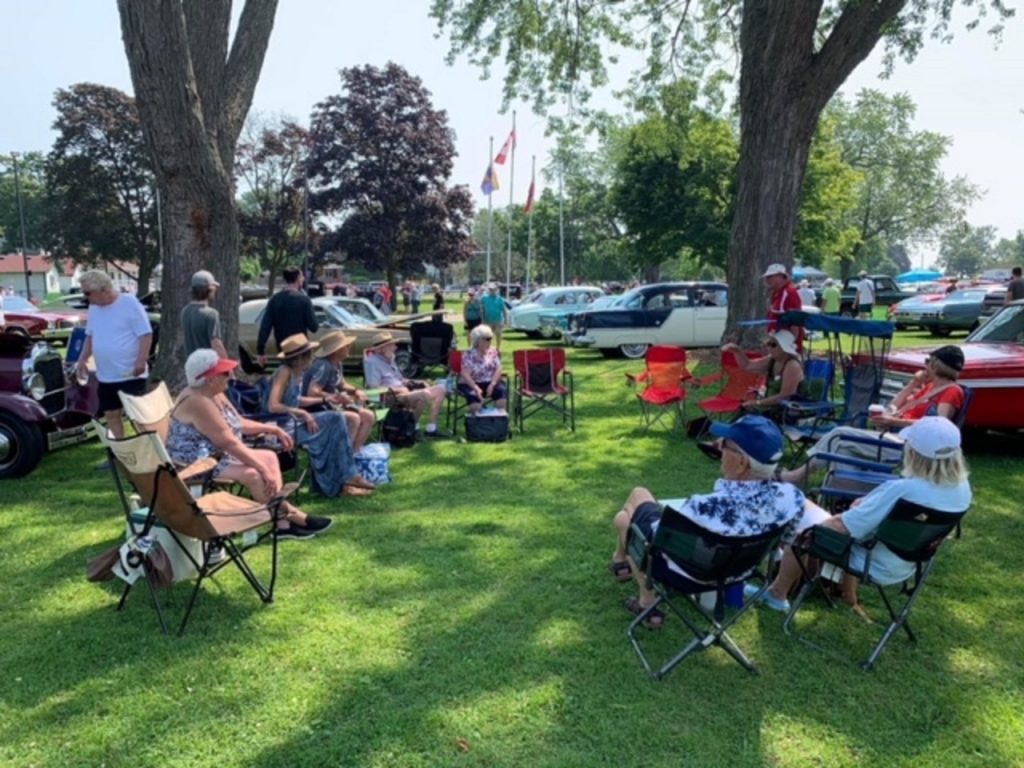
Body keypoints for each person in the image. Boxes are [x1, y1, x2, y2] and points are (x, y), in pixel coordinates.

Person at [753, 417, 971, 617]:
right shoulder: (962, 491)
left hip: (868, 560)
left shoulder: (903, 489)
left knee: (802, 527)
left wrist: (817, 527)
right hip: (906, 564)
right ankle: (819, 584)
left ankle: (776, 595)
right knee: (811, 516)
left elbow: (843, 526)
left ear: (914, 453)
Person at [609, 416, 807, 629]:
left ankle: (644, 599)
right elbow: (785, 541)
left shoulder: (703, 507)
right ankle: (620, 561)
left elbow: (654, 543)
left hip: (689, 576)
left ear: (742, 463)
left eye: (726, 444)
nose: (719, 446)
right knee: (626, 518)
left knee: (628, 512)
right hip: (740, 572)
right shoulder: (792, 497)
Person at [166, 350, 333, 540]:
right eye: (224, 373)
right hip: (196, 463)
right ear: (209, 378)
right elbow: (228, 442)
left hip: (217, 454)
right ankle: (295, 517)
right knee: (253, 474)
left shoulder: (214, 393)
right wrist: (261, 468)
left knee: (270, 456)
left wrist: (273, 430)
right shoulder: (198, 401)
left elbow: (239, 423)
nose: (230, 376)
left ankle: (282, 525)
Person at [781, 345, 966, 485]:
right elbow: (893, 406)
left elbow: (938, 427)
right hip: (895, 438)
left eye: (928, 361)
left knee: (838, 435)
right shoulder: (930, 387)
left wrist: (893, 421)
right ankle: (846, 494)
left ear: (936, 365)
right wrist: (912, 384)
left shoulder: (952, 391)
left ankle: (798, 475)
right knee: (841, 448)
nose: (925, 366)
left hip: (910, 447)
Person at [265, 334, 375, 497]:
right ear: (301, 356)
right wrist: (303, 413)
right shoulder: (284, 372)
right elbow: (273, 405)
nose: (312, 355)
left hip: (296, 421)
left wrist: (326, 398)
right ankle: (347, 478)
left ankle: (343, 480)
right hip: (282, 427)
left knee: (336, 420)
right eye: (310, 352)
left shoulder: (298, 373)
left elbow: (297, 400)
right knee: (336, 421)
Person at [74, 270, 153, 439]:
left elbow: (145, 334)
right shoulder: (94, 308)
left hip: (131, 374)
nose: (86, 297)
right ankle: (121, 452)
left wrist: (141, 360)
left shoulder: (129, 303)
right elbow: (90, 336)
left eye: (88, 293)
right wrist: (82, 360)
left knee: (138, 416)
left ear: (103, 289)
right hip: (106, 376)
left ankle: (149, 451)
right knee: (111, 415)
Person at [363, 331, 448, 438]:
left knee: (440, 389)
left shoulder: (390, 358)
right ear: (383, 348)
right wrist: (397, 390)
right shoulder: (372, 362)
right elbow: (373, 388)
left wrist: (417, 383)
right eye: (392, 345)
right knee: (424, 395)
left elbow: (400, 379)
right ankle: (411, 428)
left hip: (404, 392)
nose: (395, 347)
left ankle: (431, 428)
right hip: (388, 397)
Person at [302, 330, 375, 454]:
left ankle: (353, 453)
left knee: (368, 416)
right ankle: (341, 458)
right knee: (354, 418)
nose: (348, 348)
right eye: (346, 346)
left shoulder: (337, 363)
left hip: (332, 405)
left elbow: (341, 384)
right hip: (317, 408)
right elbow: (312, 391)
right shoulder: (323, 365)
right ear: (337, 350)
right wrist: (336, 397)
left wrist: (356, 391)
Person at [722, 330, 805, 417]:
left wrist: (758, 403)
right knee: (742, 414)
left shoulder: (792, 366)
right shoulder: (772, 360)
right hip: (769, 407)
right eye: (768, 343)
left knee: (747, 417)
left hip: (787, 412)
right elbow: (747, 366)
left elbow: (785, 396)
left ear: (784, 348)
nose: (769, 347)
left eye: (773, 345)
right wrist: (736, 350)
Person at [257, 265, 318, 366]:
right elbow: (314, 327)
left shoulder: (274, 300)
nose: (303, 279)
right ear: (298, 278)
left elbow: (265, 327)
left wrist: (261, 351)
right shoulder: (304, 300)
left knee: (285, 375)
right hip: (301, 348)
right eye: (302, 276)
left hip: (283, 348)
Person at [458, 324, 507, 415]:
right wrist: (476, 388)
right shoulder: (468, 354)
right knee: (475, 405)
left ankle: (499, 423)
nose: (490, 341)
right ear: (478, 340)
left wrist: (492, 384)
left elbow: (499, 368)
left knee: (501, 392)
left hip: (490, 382)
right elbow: (465, 374)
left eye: (491, 338)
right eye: (487, 339)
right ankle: (480, 426)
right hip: (471, 384)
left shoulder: (493, 351)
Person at [180, 270, 228, 358]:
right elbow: (216, 343)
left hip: (192, 365)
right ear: (210, 290)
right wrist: (227, 367)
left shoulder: (185, 311)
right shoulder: (211, 314)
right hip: (208, 365)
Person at [762, 264, 804, 351]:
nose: (767, 280)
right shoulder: (776, 293)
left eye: (770, 276)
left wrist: (792, 344)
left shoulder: (789, 292)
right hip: (777, 339)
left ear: (780, 276)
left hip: (786, 343)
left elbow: (795, 320)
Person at [480, 283, 509, 350]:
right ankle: (488, 347)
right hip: (488, 320)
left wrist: (506, 320)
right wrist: (482, 320)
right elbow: (481, 310)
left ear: (496, 290)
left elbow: (504, 310)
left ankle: (498, 348)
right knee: (488, 335)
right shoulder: (484, 298)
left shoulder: (500, 299)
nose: (492, 291)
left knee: (498, 334)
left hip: (498, 320)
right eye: (490, 289)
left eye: (493, 289)